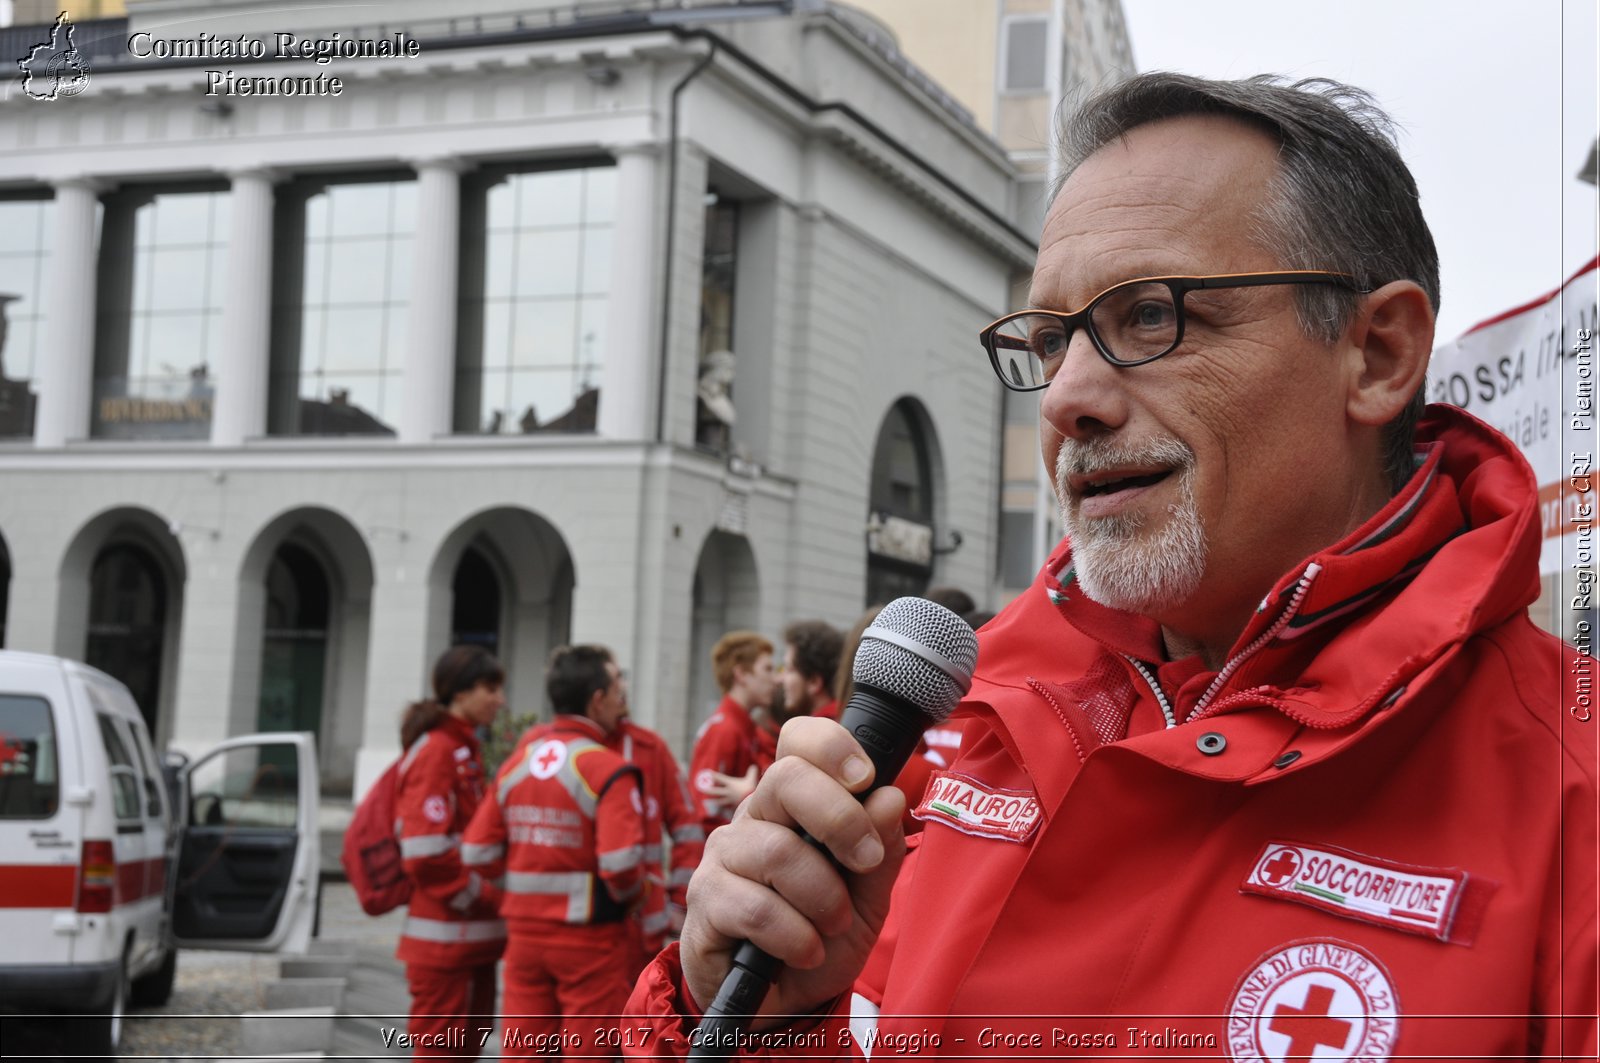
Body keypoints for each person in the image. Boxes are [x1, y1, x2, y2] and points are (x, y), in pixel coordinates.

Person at [627, 73, 1599, 1058]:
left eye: (1149, 317)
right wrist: (755, 1015)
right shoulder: (956, 714)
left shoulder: (1572, 797)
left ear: (1380, 353)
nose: (1066, 399)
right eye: (1050, 341)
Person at [462, 644, 646, 1059]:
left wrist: (523, 883)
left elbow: (475, 851)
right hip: (590, 940)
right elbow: (620, 866)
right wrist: (641, 896)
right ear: (598, 699)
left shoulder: (518, 763)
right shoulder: (607, 769)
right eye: (619, 685)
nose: (624, 695)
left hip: (524, 937)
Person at [393, 645, 508, 1059]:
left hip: (468, 939)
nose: (500, 699)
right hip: (445, 941)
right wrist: (486, 897)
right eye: (489, 688)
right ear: (460, 693)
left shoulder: (461, 747)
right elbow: (425, 853)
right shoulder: (439, 750)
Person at [606, 710, 706, 974]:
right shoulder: (559, 753)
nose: (622, 690)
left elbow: (689, 830)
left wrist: (678, 901)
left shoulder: (649, 748)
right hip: (584, 931)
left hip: (641, 927)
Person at [687, 631, 777, 832]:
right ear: (741, 674)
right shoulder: (724, 730)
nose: (775, 679)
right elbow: (706, 811)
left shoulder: (747, 728)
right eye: (768, 669)